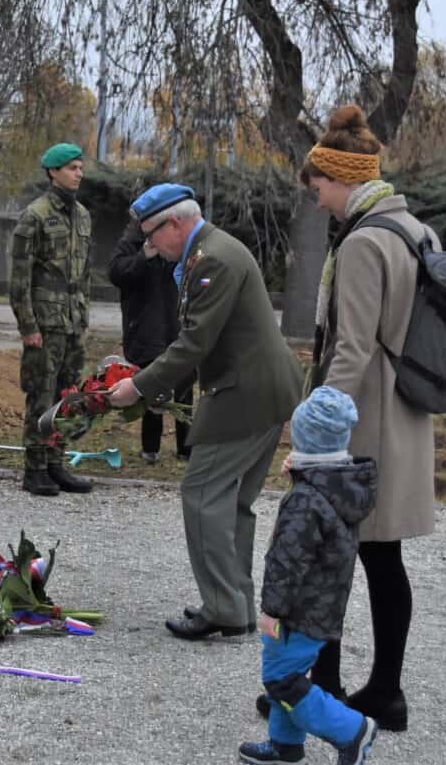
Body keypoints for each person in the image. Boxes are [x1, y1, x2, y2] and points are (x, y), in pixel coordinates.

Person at [256, 103, 439, 732]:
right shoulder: (416, 231)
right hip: (403, 413)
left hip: (361, 421)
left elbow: (353, 348)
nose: (317, 201)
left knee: (326, 556)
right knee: (382, 559)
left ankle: (324, 686)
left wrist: (317, 433)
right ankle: (384, 691)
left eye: (318, 188)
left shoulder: (363, 243)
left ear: (342, 179)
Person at [107, 183, 302, 640]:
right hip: (263, 388)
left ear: (176, 223)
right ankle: (237, 605)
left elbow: (195, 342)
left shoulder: (212, 258)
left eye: (152, 234)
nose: (150, 245)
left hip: (244, 392)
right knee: (232, 503)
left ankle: (224, 608)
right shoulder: (208, 251)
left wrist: (139, 385)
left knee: (202, 494)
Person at [237, 386, 378, 765]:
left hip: (296, 610)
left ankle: (352, 730)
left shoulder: (305, 499)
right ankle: (285, 745)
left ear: (304, 440)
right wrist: (301, 472)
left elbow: (287, 561)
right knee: (291, 672)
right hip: (322, 605)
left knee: (282, 679)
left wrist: (272, 610)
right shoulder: (337, 484)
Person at [9, 142, 95, 496]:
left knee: (67, 395)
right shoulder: (35, 216)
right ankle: (35, 468)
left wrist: (83, 314)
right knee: (41, 396)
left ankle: (56, 462)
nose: (78, 173)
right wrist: (28, 326)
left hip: (72, 320)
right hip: (45, 323)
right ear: (53, 172)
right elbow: (19, 279)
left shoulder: (83, 215)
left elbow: (85, 273)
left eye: (80, 167)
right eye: (72, 168)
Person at [107, 218, 192, 464]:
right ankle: (150, 449)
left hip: (176, 327)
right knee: (152, 388)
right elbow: (116, 274)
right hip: (145, 330)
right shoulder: (130, 244)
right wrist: (143, 256)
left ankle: (187, 449)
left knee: (184, 389)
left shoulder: (177, 241)